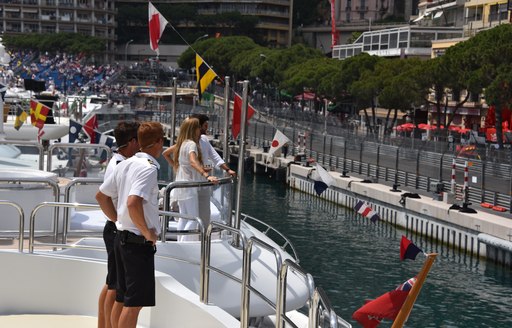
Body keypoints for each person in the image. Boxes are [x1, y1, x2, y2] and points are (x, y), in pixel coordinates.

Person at [96, 121, 164, 328]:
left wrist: (118, 221)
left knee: (122, 298)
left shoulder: (125, 164)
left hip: (122, 238)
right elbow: (133, 202)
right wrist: (147, 233)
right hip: (137, 243)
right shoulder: (148, 169)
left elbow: (101, 196)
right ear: (158, 142)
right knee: (133, 305)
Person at [97, 121, 140, 328]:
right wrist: (117, 220)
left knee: (111, 284)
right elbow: (101, 197)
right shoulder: (120, 165)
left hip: (114, 228)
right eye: (139, 140)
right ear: (132, 142)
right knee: (115, 287)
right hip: (115, 230)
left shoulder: (118, 161)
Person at [162, 118, 218, 241]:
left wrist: (176, 167)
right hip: (188, 187)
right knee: (194, 218)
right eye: (198, 127)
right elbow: (193, 161)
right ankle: (182, 244)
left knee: (183, 217)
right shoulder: (192, 144)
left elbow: (165, 153)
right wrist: (206, 175)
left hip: (180, 185)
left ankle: (179, 243)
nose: (200, 129)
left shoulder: (182, 143)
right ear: (194, 130)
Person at [189, 113, 236, 222]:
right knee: (190, 216)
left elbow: (215, 156)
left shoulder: (204, 139)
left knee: (205, 214)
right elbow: (191, 162)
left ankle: (203, 236)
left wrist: (228, 169)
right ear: (198, 126)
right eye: (205, 125)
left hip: (204, 183)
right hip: (190, 184)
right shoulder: (187, 142)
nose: (207, 128)